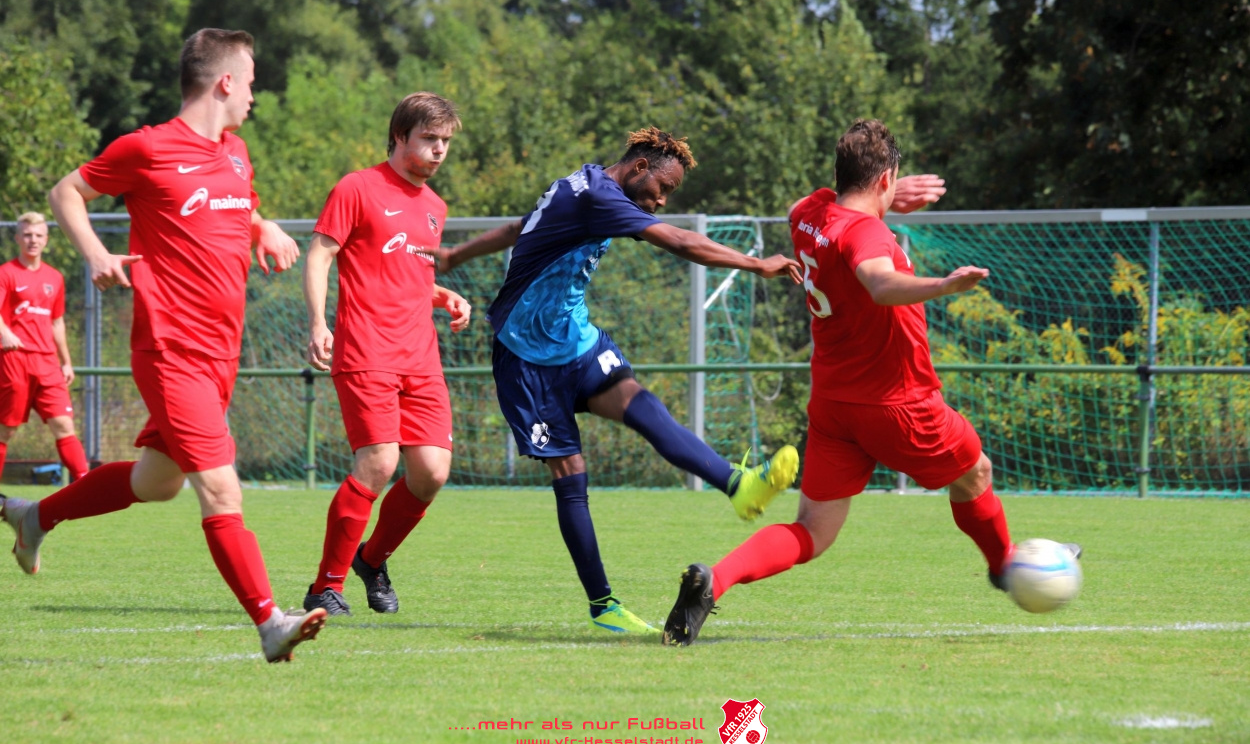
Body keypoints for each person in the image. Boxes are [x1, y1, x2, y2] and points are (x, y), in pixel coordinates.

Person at [662, 119, 1080, 646]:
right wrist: (945, 284)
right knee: (976, 472)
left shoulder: (808, 214)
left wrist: (886, 199)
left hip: (834, 405)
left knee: (813, 531)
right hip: (899, 404)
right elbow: (880, 283)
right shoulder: (867, 235)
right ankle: (1004, 568)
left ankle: (714, 581)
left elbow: (812, 207)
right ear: (885, 178)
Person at [0, 28, 327, 663]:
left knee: (156, 483)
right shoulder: (148, 148)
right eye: (251, 81)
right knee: (222, 491)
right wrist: (95, 253)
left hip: (221, 355)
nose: (254, 94)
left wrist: (262, 227)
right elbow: (66, 192)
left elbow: (239, 205)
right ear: (225, 82)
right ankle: (270, 622)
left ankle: (32, 517)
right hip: (170, 350)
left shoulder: (237, 153)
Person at [436, 128, 804, 635]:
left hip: (576, 340)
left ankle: (738, 485)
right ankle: (603, 605)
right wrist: (756, 263)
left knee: (640, 403)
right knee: (571, 471)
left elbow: (521, 226)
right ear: (638, 167)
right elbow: (680, 240)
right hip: (526, 355)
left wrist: (456, 255)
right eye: (662, 188)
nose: (662, 200)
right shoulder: (599, 197)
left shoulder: (582, 185)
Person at [302, 92, 472, 617]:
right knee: (379, 461)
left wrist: (444, 296)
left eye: (446, 141)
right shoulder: (357, 188)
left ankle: (371, 560)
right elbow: (320, 254)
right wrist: (317, 321)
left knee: (432, 472)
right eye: (429, 138)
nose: (439, 149)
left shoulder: (436, 208)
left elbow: (409, 277)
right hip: (366, 348)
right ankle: (325, 586)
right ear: (400, 136)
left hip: (421, 356)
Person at [0, 212, 91, 484]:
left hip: (48, 363)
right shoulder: (6, 273)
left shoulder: (55, 277)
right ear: (17, 238)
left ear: (46, 240)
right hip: (15, 359)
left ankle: (85, 486)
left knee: (64, 424)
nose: (33, 240)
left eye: (38, 235)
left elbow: (57, 322)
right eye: (27, 235)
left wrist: (66, 361)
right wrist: (5, 333)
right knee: (6, 430)